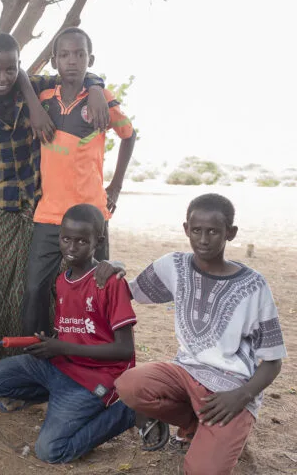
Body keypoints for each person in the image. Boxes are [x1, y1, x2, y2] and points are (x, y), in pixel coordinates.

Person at [114, 194, 286, 475]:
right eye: (197, 230)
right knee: (130, 386)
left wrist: (242, 395)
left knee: (201, 471)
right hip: (186, 372)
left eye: (213, 231)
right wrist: (114, 266)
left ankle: (220, 431)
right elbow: (127, 291)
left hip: (231, 391)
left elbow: (273, 361)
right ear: (186, 229)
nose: (204, 239)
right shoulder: (175, 266)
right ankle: (196, 425)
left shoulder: (254, 286)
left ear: (230, 233)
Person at [0, 33, 108, 362]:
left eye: (10, 70)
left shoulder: (40, 87)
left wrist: (98, 88)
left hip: (36, 202)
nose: (2, 78)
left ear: (19, 67)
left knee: (35, 289)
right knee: (0, 285)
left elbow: (77, 71)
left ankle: (46, 360)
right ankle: (6, 364)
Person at [0, 204, 139, 463]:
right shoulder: (62, 280)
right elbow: (72, 330)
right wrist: (50, 345)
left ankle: (127, 412)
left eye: (81, 241)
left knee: (51, 451)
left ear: (97, 242)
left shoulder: (109, 282)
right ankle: (58, 400)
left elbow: (124, 350)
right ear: (59, 239)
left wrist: (61, 348)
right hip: (60, 367)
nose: (72, 247)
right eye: (66, 239)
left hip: (93, 379)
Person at [23, 27, 136, 337]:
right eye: (64, 55)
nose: (72, 61)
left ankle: (100, 355)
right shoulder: (45, 98)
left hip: (91, 215)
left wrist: (116, 186)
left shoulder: (101, 100)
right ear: (54, 60)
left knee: (99, 288)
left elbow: (129, 135)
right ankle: (37, 355)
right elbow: (18, 75)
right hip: (50, 213)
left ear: (90, 58)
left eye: (79, 54)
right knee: (35, 287)